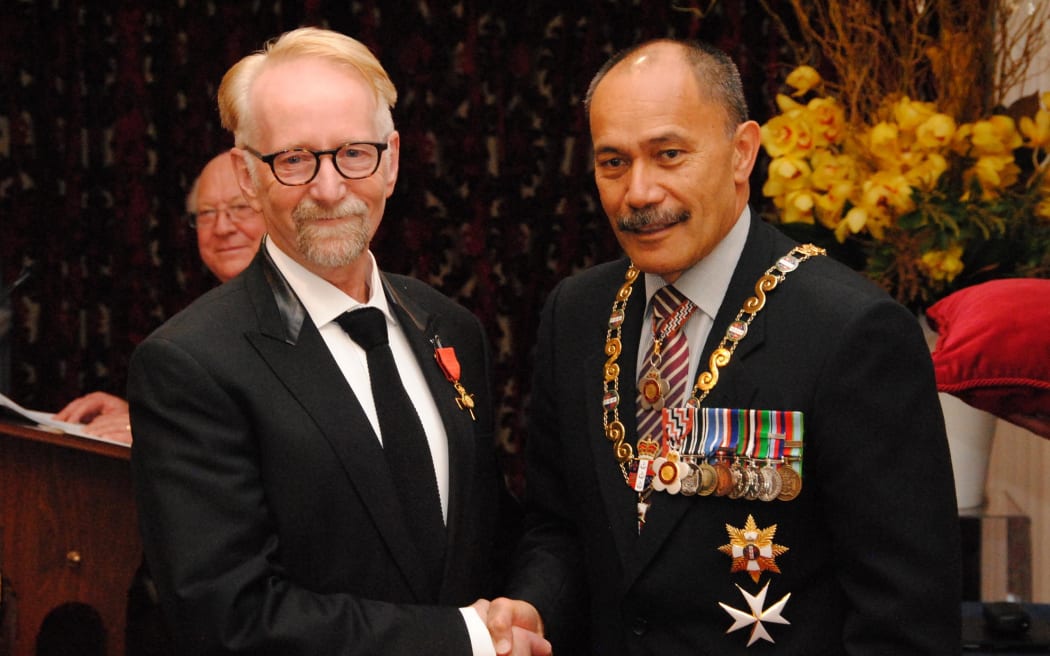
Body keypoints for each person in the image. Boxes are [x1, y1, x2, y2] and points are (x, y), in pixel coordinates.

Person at [488, 39, 962, 654]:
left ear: (742, 153)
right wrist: (533, 606)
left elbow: (906, 620)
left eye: (669, 154)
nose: (638, 192)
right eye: (613, 163)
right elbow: (559, 526)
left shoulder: (851, 331)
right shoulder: (575, 313)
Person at [127, 27, 547, 656]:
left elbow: (480, 531)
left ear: (393, 160)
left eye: (355, 153)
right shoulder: (191, 364)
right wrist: (463, 639)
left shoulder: (449, 326)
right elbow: (228, 617)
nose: (329, 189)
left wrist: (530, 603)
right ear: (246, 173)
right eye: (294, 159)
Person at [52, 151, 266, 444]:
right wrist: (138, 416)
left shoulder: (296, 311)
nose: (222, 228)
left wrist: (155, 428)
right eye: (206, 213)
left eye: (239, 208)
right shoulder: (197, 322)